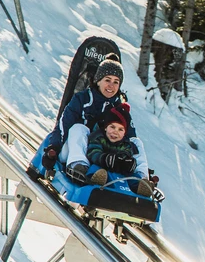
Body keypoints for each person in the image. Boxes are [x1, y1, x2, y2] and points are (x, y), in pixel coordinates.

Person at [40, 53, 149, 185]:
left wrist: (125, 159)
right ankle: (78, 167)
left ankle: (140, 179)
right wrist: (54, 148)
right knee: (79, 128)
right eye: (107, 80)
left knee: (136, 142)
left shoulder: (119, 108)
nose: (111, 86)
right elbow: (64, 125)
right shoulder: (82, 99)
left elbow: (129, 137)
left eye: (116, 82)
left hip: (104, 156)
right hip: (75, 151)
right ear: (98, 80)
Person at [85, 103, 154, 197]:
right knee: (94, 169)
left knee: (134, 177)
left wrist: (128, 163)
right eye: (112, 127)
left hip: (119, 174)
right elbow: (93, 152)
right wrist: (105, 158)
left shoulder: (126, 144)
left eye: (120, 129)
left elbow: (128, 154)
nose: (115, 132)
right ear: (105, 127)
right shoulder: (98, 137)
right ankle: (96, 181)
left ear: (125, 133)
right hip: (102, 168)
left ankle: (140, 188)